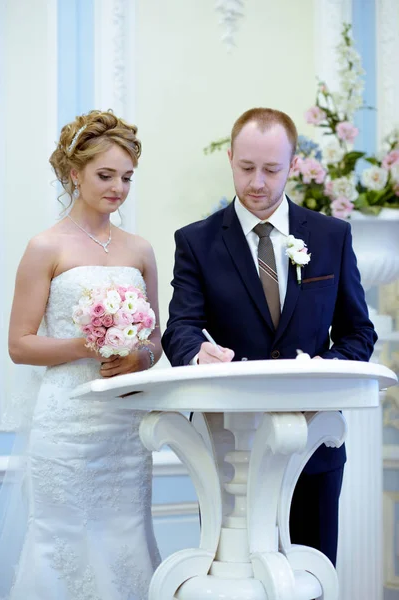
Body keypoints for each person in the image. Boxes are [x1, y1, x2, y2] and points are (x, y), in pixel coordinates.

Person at [161, 107, 377, 567]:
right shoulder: (196, 242)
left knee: (312, 574)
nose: (257, 182)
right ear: (231, 159)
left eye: (271, 169)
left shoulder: (331, 236)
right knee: (231, 578)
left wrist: (324, 373)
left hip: (313, 441)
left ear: (293, 165)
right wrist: (197, 354)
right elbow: (179, 326)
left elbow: (359, 331)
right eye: (246, 168)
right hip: (227, 448)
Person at [0, 110, 161, 600]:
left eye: (127, 177)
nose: (118, 188)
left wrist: (140, 358)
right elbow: (19, 344)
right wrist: (86, 345)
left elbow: (158, 338)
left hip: (124, 427)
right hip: (66, 423)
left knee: (125, 539)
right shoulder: (45, 247)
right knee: (61, 544)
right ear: (75, 174)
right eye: (105, 175)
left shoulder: (140, 250)